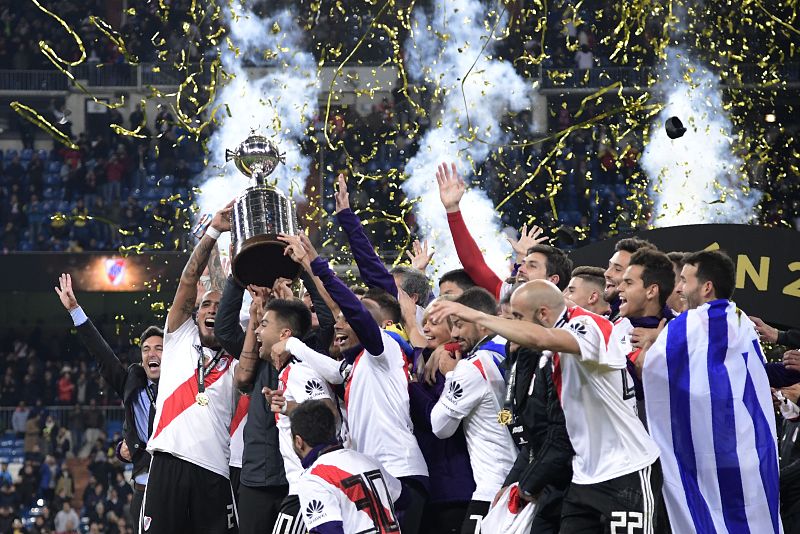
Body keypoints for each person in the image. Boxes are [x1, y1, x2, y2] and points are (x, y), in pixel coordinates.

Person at [429, 280, 663, 532]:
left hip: (625, 469)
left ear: (543, 314)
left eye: (518, 318)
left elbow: (543, 337)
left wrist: (476, 316)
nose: (513, 327)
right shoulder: (545, 355)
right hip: (583, 476)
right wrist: (520, 482)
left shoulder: (588, 325)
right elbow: (542, 429)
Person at [276, 231, 429, 533]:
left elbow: (351, 310)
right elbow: (335, 358)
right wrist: (308, 262)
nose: (340, 323)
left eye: (350, 319)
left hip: (399, 473)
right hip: (374, 472)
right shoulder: (356, 364)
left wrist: (317, 264)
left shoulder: (383, 348)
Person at [642, 250, 782, 533]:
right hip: (748, 450)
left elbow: (649, 369)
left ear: (706, 287)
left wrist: (645, 347)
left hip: (703, 455)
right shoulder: (742, 322)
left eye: (685, 280)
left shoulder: (686, 325)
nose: (679, 288)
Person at [142, 200, 240, 534]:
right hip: (167, 461)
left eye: (219, 306)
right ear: (195, 314)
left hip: (215, 470)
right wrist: (213, 232)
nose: (212, 309)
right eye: (206, 304)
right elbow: (188, 280)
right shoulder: (179, 336)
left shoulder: (237, 352)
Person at [54, 273, 162, 528]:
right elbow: (102, 353)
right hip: (144, 487)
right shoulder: (132, 384)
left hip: (178, 482)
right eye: (146, 349)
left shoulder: (181, 386)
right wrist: (74, 310)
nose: (152, 354)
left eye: (159, 348)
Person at [429, 287, 517, 533]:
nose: (454, 334)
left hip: (493, 487)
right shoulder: (509, 352)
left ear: (482, 322)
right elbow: (504, 413)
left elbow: (440, 427)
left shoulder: (472, 367)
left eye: (459, 325)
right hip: (519, 479)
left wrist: (450, 376)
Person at [257, 298, 336, 534]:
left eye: (264, 324)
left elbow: (328, 414)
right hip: (304, 486)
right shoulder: (288, 373)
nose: (257, 331)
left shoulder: (300, 371)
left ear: (285, 334)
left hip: (309, 488)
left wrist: (288, 407)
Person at [291, 400, 402, 533]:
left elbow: (329, 530)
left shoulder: (313, 478)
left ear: (298, 442)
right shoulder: (368, 461)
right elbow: (403, 498)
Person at [613, 248, 675, 425]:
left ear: (651, 291)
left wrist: (664, 340)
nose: (620, 288)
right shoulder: (612, 327)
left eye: (628, 283)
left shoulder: (683, 332)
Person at [603, 237, 656, 320]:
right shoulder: (614, 316)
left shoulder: (643, 323)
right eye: (609, 266)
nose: (606, 273)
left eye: (618, 269)